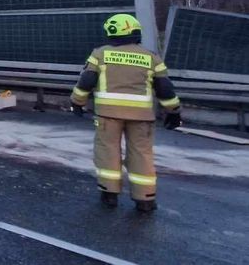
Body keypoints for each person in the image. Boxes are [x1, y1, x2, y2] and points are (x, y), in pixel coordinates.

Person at [70, 14, 182, 212]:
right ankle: (145, 199)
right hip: (142, 117)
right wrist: (173, 111)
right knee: (142, 155)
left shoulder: (100, 54)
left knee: (107, 151)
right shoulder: (151, 58)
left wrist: (77, 102)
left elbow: (86, 81)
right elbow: (165, 88)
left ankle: (109, 193)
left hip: (108, 115)